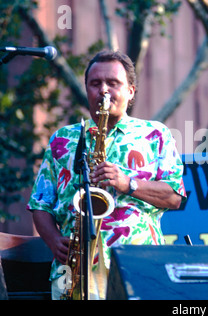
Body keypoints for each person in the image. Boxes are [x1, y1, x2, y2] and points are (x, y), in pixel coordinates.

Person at [27, 50, 187, 300]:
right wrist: (53, 239)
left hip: (138, 265)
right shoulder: (62, 139)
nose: (103, 90)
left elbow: (175, 197)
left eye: (113, 83)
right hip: (75, 268)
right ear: (87, 90)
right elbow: (40, 204)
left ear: (131, 91)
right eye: (95, 83)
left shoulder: (155, 134)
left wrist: (128, 183)